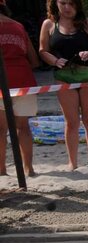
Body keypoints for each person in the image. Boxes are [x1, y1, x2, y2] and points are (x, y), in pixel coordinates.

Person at [38, 0, 88, 170]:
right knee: (71, 121)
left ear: (77, 5)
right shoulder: (50, 24)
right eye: (63, 3)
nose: (67, 8)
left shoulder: (87, 23)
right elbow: (43, 50)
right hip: (64, 76)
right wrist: (55, 60)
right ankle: (72, 162)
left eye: (71, 3)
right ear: (55, 4)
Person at [0, 0, 39, 176]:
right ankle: (28, 169)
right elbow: (34, 59)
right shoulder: (18, 26)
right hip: (24, 79)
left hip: (1, 81)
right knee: (23, 127)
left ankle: (1, 169)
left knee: (1, 129)